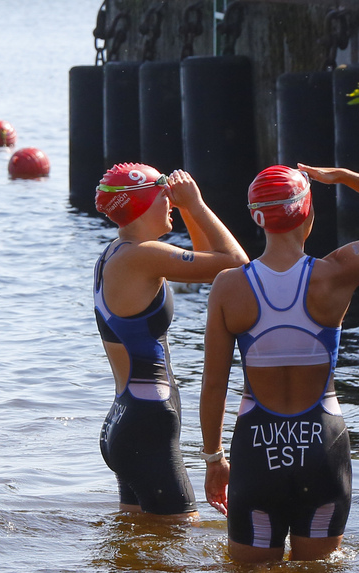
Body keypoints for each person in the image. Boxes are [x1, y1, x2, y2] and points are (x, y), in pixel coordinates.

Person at [199, 165, 359, 563]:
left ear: (257, 217)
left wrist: (214, 459)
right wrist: (344, 177)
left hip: (257, 449)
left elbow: (214, 384)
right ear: (307, 214)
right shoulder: (336, 273)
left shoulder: (229, 286)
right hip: (323, 447)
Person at [94, 164, 249, 519]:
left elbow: (207, 265)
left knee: (138, 539)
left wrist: (187, 209)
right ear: (144, 203)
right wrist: (196, 205)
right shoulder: (143, 256)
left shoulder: (119, 252)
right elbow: (236, 265)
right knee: (183, 541)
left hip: (126, 420)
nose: (171, 204)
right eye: (164, 197)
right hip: (149, 424)